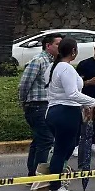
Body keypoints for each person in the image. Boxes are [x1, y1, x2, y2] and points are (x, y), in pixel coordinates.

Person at [42, 38, 95, 191]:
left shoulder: (53, 67)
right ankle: (54, 187)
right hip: (65, 112)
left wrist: (85, 105)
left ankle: (56, 180)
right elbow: (72, 94)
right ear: (73, 51)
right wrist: (94, 102)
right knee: (62, 150)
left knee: (67, 147)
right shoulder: (66, 68)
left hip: (54, 111)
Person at [19, 32, 61, 180]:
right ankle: (39, 177)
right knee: (46, 139)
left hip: (48, 106)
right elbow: (24, 84)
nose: (60, 47)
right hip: (37, 106)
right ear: (48, 46)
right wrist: (24, 102)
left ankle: (33, 174)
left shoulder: (55, 62)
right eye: (57, 44)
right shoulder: (38, 61)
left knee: (39, 140)